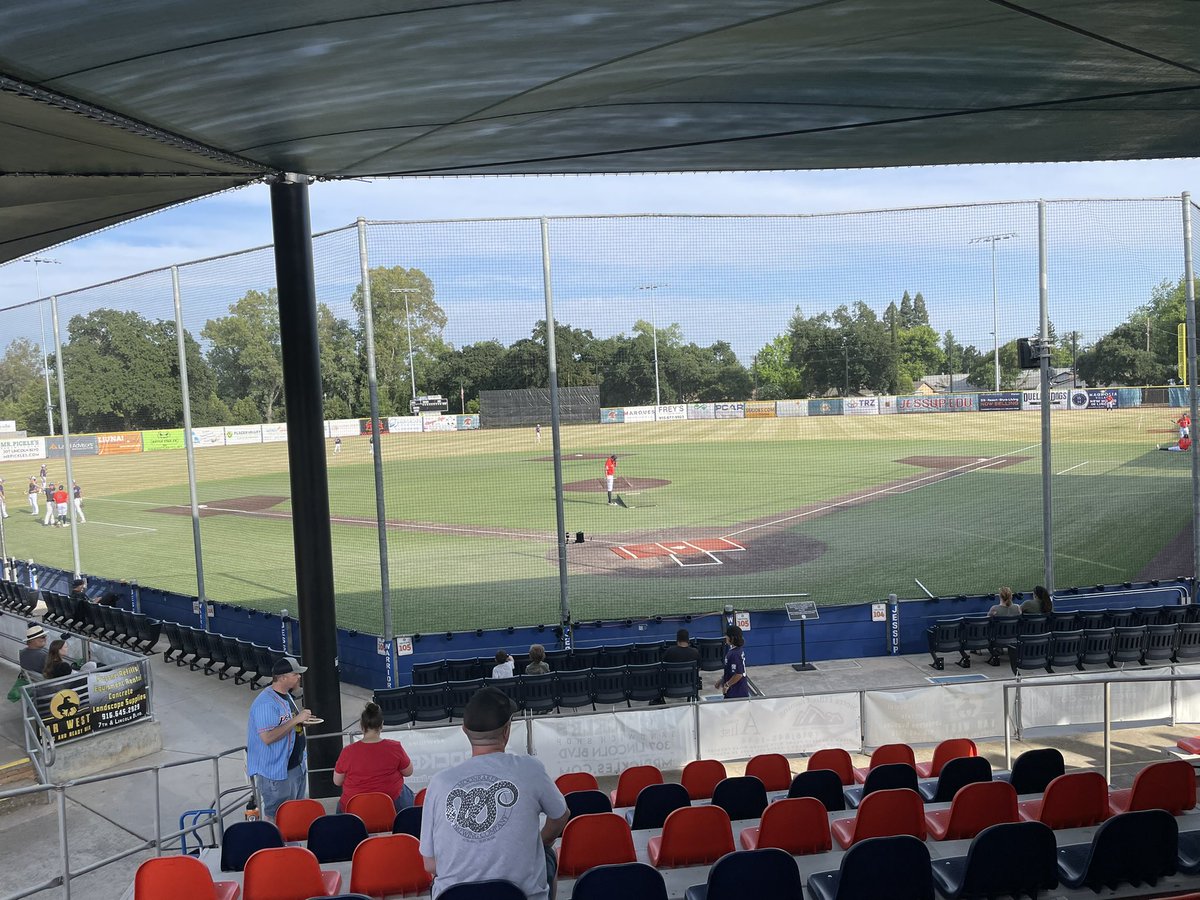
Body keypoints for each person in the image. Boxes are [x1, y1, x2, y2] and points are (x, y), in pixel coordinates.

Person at [419, 687, 569, 900]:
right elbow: (561, 815)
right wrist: (540, 842)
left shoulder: (439, 783)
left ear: (464, 730)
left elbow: (430, 863)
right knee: (548, 855)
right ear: (507, 730)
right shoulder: (530, 768)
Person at [246, 656, 312, 823]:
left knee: (294, 814)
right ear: (282, 677)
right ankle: (277, 847)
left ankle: (292, 847)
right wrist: (296, 720)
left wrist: (300, 722)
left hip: (295, 767)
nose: (299, 677)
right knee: (277, 817)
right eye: (295, 674)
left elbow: (289, 726)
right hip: (277, 774)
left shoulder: (286, 696)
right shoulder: (266, 703)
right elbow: (267, 737)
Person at [333, 701, 414, 812]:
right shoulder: (395, 747)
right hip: (391, 805)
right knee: (407, 794)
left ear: (362, 726)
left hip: (355, 808)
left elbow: (337, 781)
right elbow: (408, 772)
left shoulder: (347, 752)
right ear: (381, 725)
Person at [715, 625, 750, 699]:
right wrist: (722, 679)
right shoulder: (735, 651)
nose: (726, 637)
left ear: (732, 638)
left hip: (737, 693)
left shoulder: (735, 654)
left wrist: (727, 685)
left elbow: (738, 674)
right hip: (736, 691)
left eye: (727, 636)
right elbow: (731, 670)